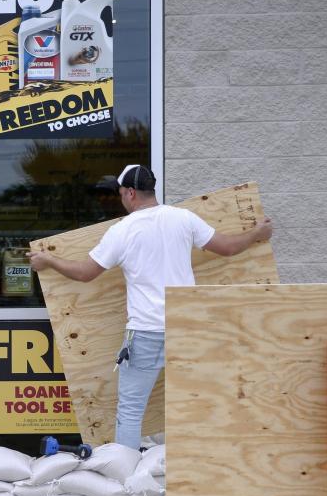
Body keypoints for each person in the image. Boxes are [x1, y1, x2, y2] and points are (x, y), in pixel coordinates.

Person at [28, 165, 273, 450]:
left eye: (120, 193)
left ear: (130, 193)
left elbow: (86, 273)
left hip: (146, 333)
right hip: (186, 328)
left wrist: (49, 262)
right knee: (197, 403)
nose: (120, 199)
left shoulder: (123, 231)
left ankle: (129, 478)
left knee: (131, 411)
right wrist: (257, 233)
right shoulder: (183, 219)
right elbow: (228, 247)